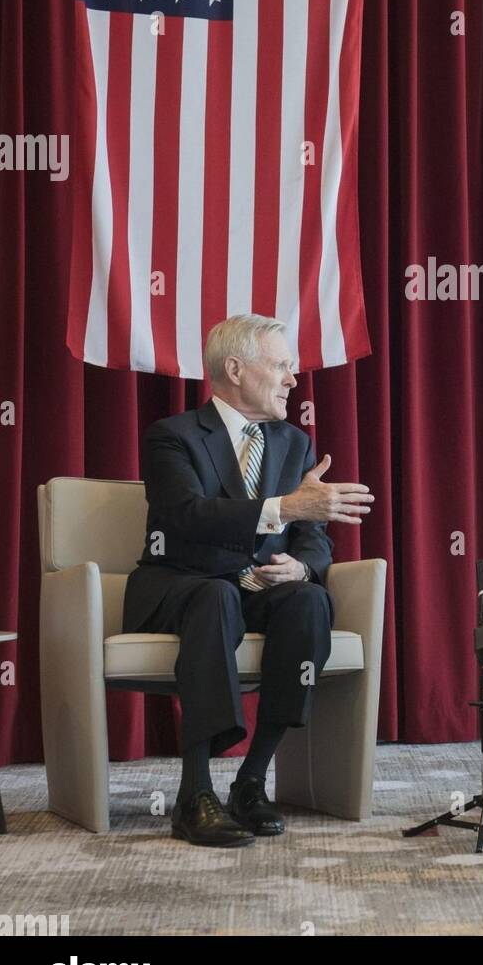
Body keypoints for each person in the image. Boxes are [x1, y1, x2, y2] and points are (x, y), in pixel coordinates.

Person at [123, 313, 374, 847]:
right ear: (235, 369)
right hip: (180, 583)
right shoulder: (173, 436)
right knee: (215, 597)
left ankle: (252, 781)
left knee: (308, 601)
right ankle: (195, 795)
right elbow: (184, 515)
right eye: (281, 366)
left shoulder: (293, 443)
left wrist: (302, 565)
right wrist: (285, 506)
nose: (292, 379)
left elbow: (311, 535)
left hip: (255, 587)